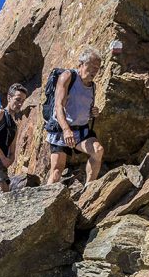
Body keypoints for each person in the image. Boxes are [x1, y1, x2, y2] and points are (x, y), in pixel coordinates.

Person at [44, 52, 105, 187]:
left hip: (80, 131)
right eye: (92, 66)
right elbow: (58, 106)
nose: (95, 71)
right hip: (61, 131)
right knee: (56, 172)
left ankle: (89, 189)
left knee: (98, 150)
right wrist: (66, 130)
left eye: (98, 68)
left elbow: (81, 108)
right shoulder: (67, 77)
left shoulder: (92, 86)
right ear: (81, 64)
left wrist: (93, 112)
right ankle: (43, 204)